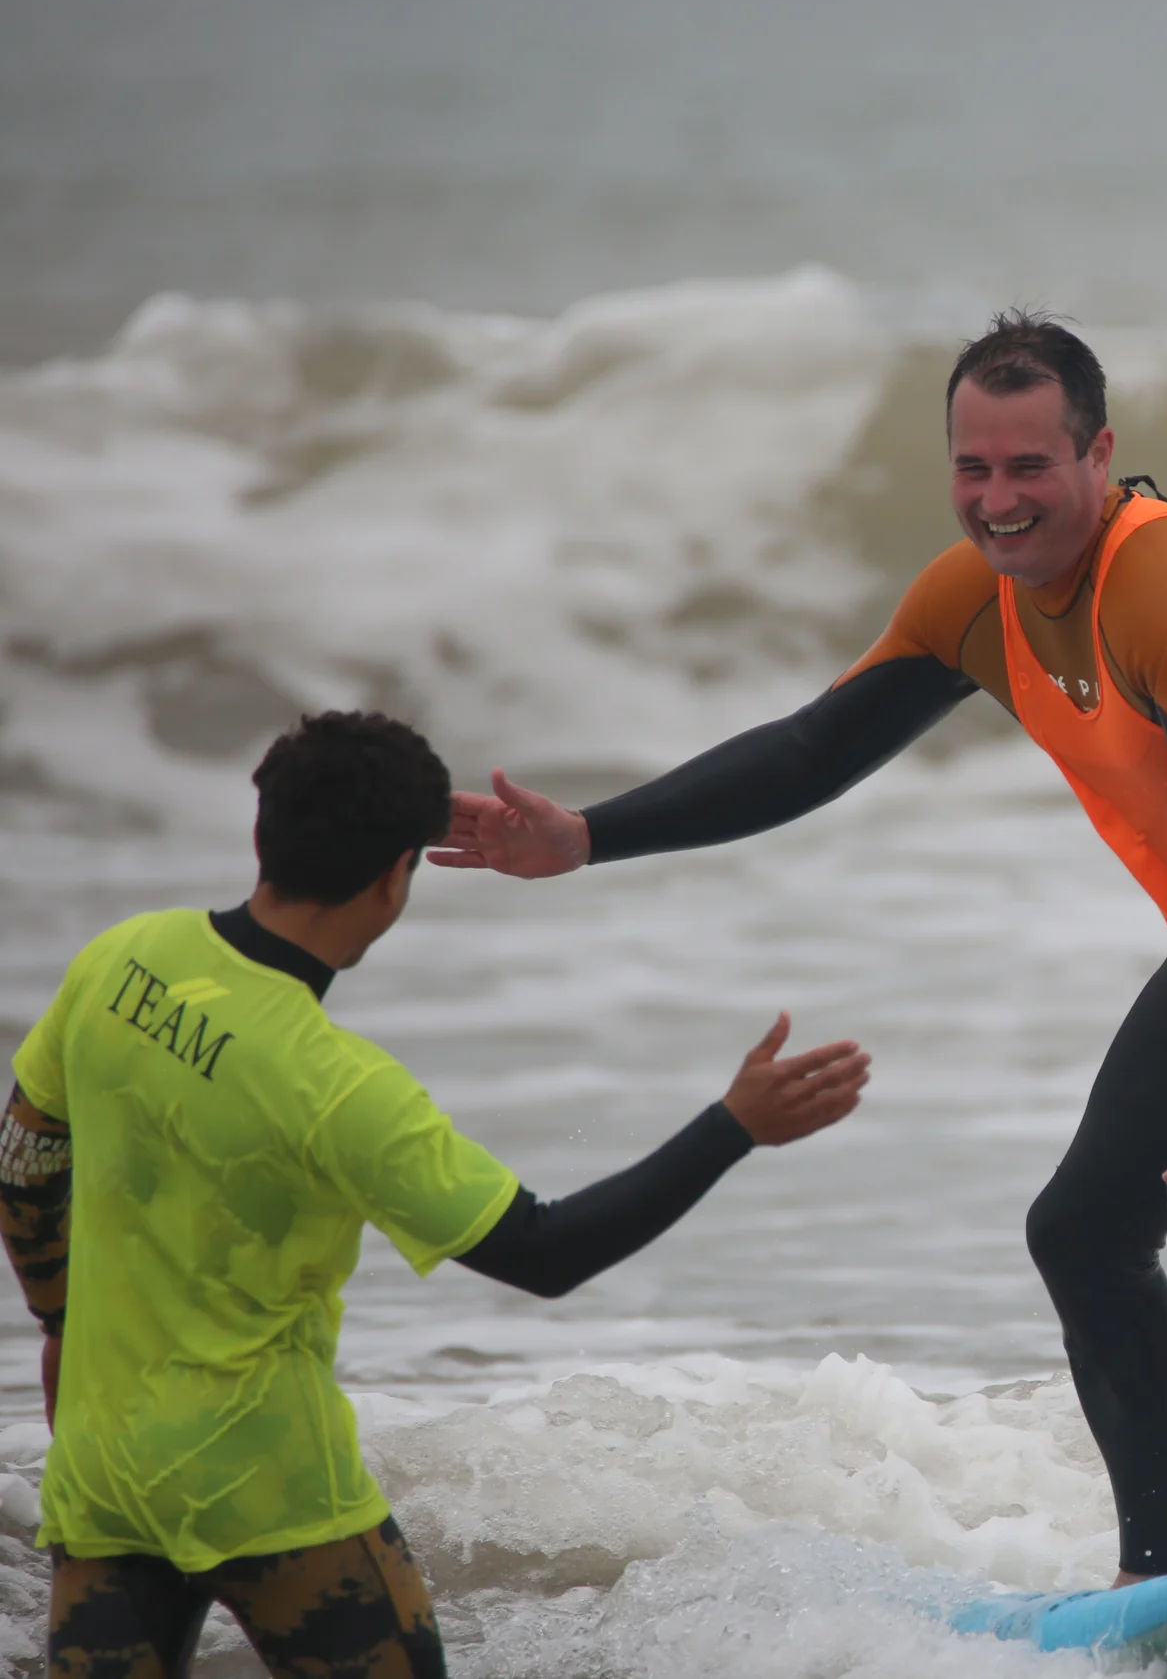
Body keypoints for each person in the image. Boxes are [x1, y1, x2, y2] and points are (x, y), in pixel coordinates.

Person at [431, 312, 1167, 1583]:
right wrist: (586, 838)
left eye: (1029, 466)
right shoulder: (971, 600)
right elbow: (811, 751)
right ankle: (1159, 1578)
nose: (998, 502)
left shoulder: (1163, 580)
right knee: (1083, 1232)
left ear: (1098, 455)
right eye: (972, 468)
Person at [2, 710, 871, 1679]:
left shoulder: (121, 959)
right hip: (271, 1489)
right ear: (393, 879)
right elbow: (545, 1252)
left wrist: (60, 1323)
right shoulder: (339, 1087)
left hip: (104, 1473)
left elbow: (24, 1159)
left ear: (264, 831)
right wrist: (733, 1126)